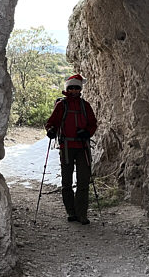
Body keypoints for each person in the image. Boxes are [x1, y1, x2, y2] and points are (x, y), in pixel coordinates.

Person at [45, 74, 98, 225]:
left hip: (82, 147)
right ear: (67, 89)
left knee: (83, 181)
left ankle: (81, 213)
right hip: (67, 147)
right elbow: (51, 122)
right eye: (71, 88)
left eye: (76, 88)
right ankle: (71, 212)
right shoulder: (61, 105)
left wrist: (88, 132)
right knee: (67, 182)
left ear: (80, 89)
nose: (74, 90)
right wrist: (51, 130)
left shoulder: (85, 105)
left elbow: (93, 123)